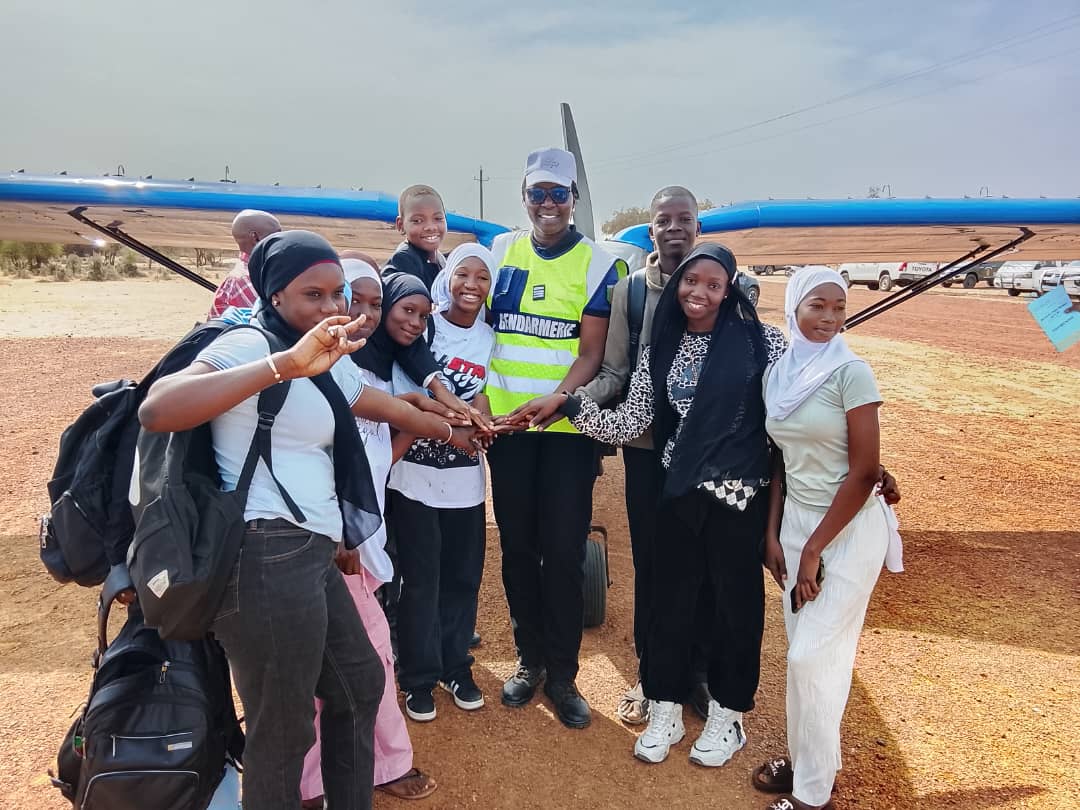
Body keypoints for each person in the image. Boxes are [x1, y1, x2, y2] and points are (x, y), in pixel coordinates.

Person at [138, 230, 475, 809]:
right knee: (283, 725)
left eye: (337, 293)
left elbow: (380, 406)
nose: (332, 306)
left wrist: (453, 429)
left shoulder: (325, 354)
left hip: (310, 550)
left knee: (359, 686)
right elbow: (158, 407)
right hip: (262, 553)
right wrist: (283, 365)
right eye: (312, 294)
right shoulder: (250, 343)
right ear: (275, 295)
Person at [557, 243, 787, 766]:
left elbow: (791, 418)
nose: (699, 292)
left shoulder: (764, 343)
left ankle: (729, 715)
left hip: (739, 497)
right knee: (670, 601)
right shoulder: (661, 346)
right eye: (690, 281)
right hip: (679, 492)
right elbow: (632, 420)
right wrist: (573, 406)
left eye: (713, 284)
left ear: (729, 290)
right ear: (677, 283)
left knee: (734, 608)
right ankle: (665, 707)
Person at [485, 147, 626, 729]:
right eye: (537, 193)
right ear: (524, 197)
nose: (548, 204)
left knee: (564, 552)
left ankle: (564, 675)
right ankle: (530, 659)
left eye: (558, 194)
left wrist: (560, 400)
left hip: (567, 430)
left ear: (573, 198)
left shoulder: (598, 264)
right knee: (518, 549)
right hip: (509, 430)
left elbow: (591, 353)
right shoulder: (498, 251)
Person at [753, 267, 901, 810]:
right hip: (795, 526)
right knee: (807, 654)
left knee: (811, 658)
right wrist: (772, 533)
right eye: (817, 305)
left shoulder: (851, 373)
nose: (830, 318)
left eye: (839, 307)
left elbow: (864, 472)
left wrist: (814, 549)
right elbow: (779, 459)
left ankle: (813, 797)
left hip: (848, 530)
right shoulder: (778, 374)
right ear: (793, 307)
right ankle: (807, 763)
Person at [299, 257, 438, 806]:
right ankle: (369, 769)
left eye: (373, 302)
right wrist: (342, 539)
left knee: (342, 661)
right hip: (334, 548)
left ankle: (325, 776)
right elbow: (313, 462)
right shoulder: (314, 370)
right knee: (364, 658)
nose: (361, 311)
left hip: (360, 544)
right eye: (348, 298)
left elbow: (378, 457)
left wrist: (419, 420)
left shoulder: (355, 373)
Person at [575, 186, 715, 724]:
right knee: (652, 563)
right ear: (651, 228)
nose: (674, 227)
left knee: (702, 562)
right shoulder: (630, 293)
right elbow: (613, 372)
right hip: (646, 448)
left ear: (698, 227)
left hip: (705, 454)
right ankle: (652, 672)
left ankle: (698, 674)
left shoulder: (725, 287)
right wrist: (569, 403)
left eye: (684, 219)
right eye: (664, 220)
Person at [387, 244, 496, 722]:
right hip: (413, 480)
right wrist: (456, 423)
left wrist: (485, 424)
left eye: (482, 277)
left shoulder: (490, 337)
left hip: (465, 482)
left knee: (462, 578)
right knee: (420, 582)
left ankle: (456, 667)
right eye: (462, 274)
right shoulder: (423, 326)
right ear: (446, 277)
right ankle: (418, 677)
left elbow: (486, 394)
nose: (471, 285)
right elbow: (404, 394)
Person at [207, 209, 281, 319]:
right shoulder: (249, 279)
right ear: (255, 237)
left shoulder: (242, 276)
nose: (282, 240)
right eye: (276, 235)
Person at [383, 185, 447, 289]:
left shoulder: (440, 259)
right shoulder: (404, 260)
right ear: (401, 225)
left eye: (438, 218)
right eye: (418, 221)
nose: (430, 227)